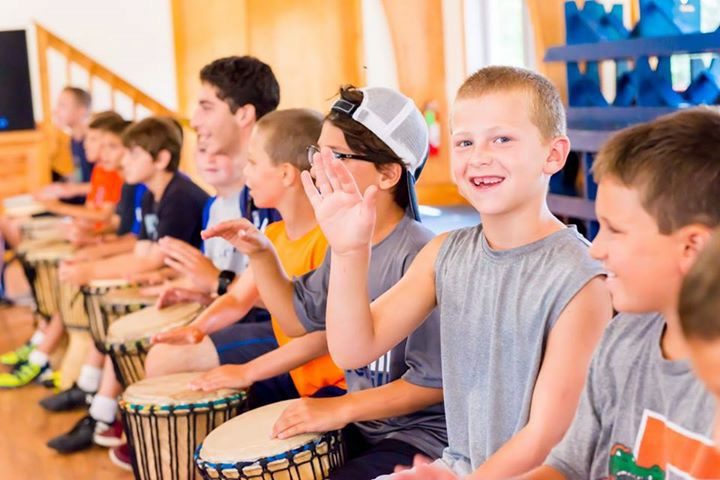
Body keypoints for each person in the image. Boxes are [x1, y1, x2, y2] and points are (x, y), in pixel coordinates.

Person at [294, 68, 611, 478]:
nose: (478, 156)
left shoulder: (580, 278)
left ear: (553, 154)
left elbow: (547, 438)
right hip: (457, 467)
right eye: (464, 142)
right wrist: (349, 250)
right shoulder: (446, 253)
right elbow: (353, 349)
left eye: (502, 139)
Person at [202, 86, 448, 479]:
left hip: (419, 437)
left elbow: (434, 384)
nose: (315, 167)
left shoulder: (420, 253)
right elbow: (298, 320)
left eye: (334, 156)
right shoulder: (344, 241)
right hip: (364, 421)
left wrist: (342, 408)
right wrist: (262, 253)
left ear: (387, 173)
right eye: (317, 153)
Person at [521, 107, 720, 479]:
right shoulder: (622, 336)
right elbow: (568, 467)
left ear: (692, 247)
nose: (596, 249)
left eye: (614, 229)